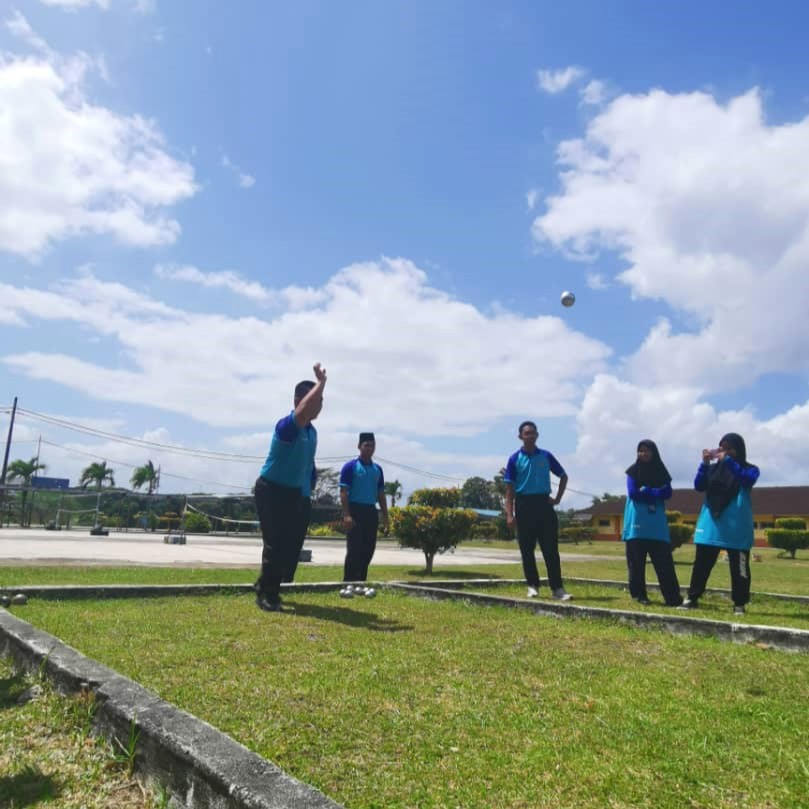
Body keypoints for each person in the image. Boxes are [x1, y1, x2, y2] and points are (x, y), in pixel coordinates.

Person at [254, 363, 326, 612]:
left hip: (295, 494)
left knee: (290, 545)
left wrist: (308, 492)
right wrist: (321, 383)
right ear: (298, 400)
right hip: (271, 489)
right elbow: (303, 412)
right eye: (315, 400)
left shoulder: (313, 432)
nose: (319, 406)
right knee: (275, 543)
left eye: (321, 401)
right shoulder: (286, 426)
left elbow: (308, 465)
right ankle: (267, 594)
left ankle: (268, 584)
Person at [680, 433, 760, 615]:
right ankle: (692, 598)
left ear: (739, 450)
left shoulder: (751, 469)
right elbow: (699, 486)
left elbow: (746, 480)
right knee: (701, 564)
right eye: (722, 448)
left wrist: (730, 462)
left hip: (736, 526)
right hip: (711, 524)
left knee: (739, 567)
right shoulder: (712, 469)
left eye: (730, 448)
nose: (726, 452)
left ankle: (739, 604)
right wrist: (704, 464)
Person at [504, 421, 571, 600]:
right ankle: (532, 586)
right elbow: (509, 490)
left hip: (544, 505)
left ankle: (557, 588)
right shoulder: (514, 459)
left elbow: (563, 476)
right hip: (524, 505)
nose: (530, 436)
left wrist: (557, 499)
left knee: (550, 549)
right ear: (520, 436)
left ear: (537, 435)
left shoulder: (546, 456)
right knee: (527, 549)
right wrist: (510, 514)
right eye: (527, 433)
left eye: (533, 433)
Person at [621, 440, 683, 607]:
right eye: (640, 450)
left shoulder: (661, 472)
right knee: (636, 565)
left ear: (654, 452)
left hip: (657, 527)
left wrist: (649, 491)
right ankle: (639, 595)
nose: (643, 453)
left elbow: (668, 493)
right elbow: (633, 493)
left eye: (647, 450)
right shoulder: (632, 472)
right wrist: (656, 493)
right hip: (637, 525)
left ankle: (673, 597)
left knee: (665, 564)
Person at [340, 433, 388, 582]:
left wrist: (386, 517)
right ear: (359, 446)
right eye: (366, 445)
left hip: (370, 511)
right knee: (354, 548)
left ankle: (361, 579)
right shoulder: (350, 467)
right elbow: (343, 492)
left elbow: (381, 494)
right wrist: (347, 514)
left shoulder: (377, 469)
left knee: (368, 548)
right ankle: (349, 581)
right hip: (355, 510)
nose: (370, 448)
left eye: (372, 445)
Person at [282, 466, 317, 584]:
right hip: (286, 498)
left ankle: (288, 577)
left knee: (297, 541)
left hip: (304, 500)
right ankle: (275, 576)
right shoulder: (290, 454)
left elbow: (313, 483)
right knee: (282, 539)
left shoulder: (310, 460)